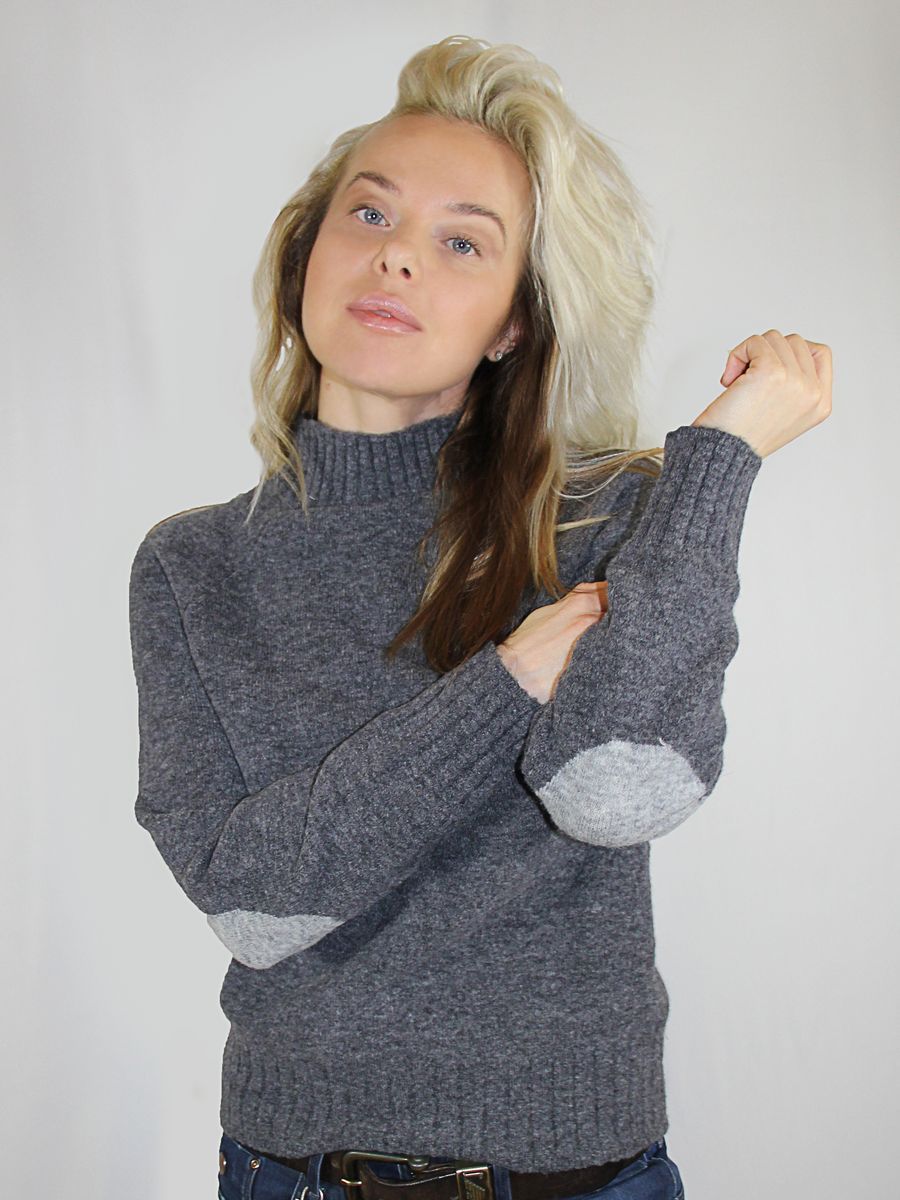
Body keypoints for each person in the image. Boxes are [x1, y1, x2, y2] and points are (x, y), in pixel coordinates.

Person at [127, 34, 831, 1200]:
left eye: (463, 241)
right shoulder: (192, 567)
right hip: (290, 1169)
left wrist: (719, 461)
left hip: (571, 1173)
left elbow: (617, 789)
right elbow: (249, 900)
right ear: (305, 256)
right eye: (369, 214)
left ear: (514, 321)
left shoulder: (612, 518)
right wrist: (506, 686)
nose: (397, 255)